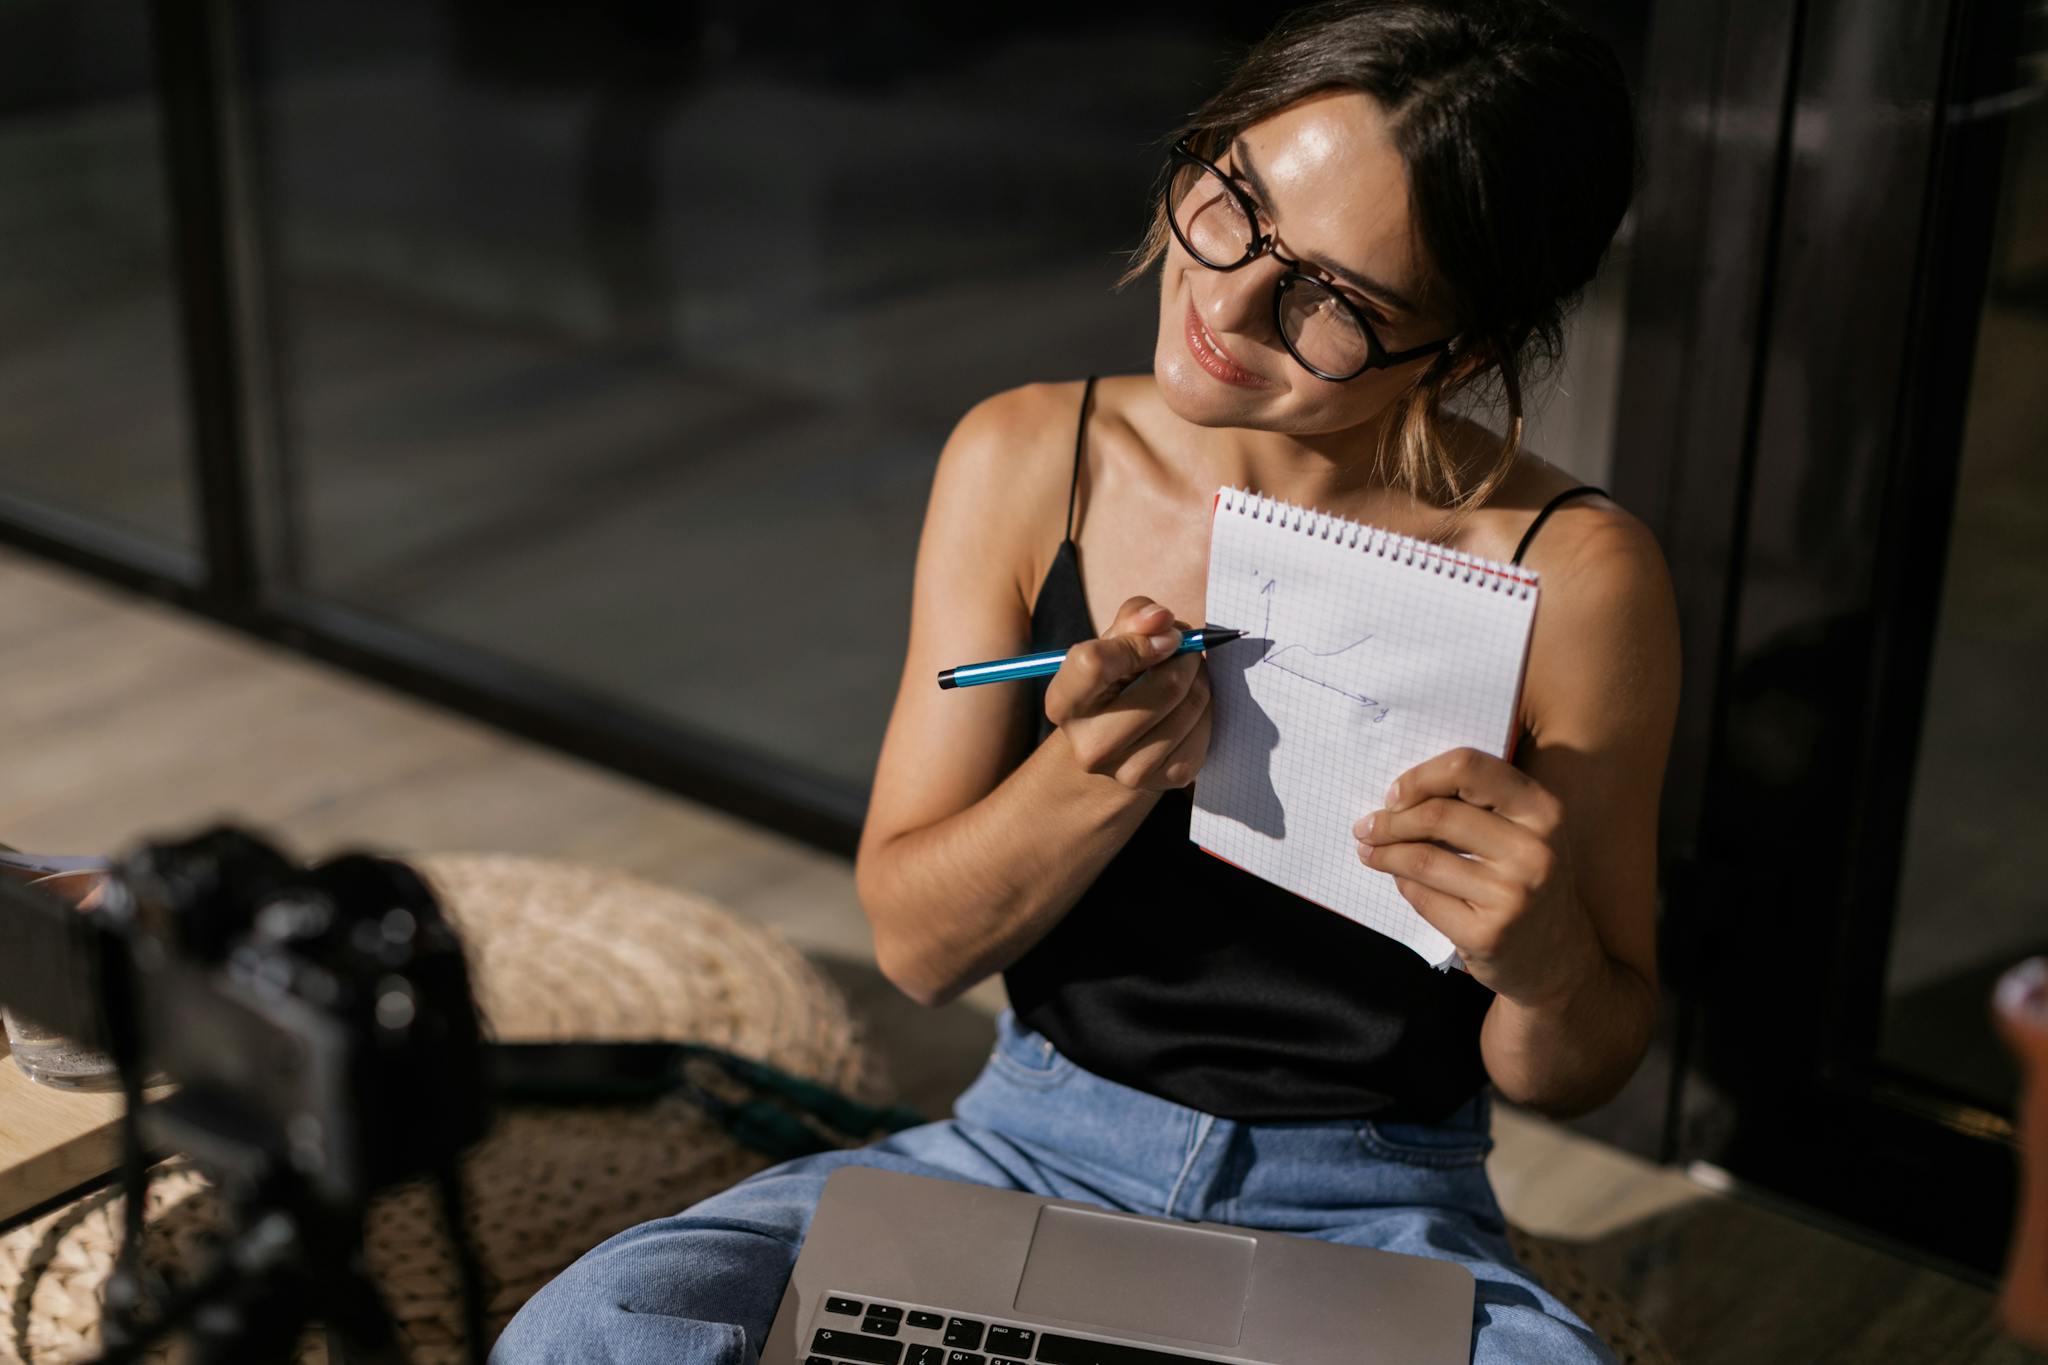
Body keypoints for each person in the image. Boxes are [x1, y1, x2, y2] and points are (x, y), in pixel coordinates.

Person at [493, 1, 1677, 1360]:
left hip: (1378, 1202)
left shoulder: (1572, 577)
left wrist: (1539, 962)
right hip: (1024, 1145)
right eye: (1233, 204)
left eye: (1333, 303)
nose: (1226, 301)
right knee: (601, 1324)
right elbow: (919, 948)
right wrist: (1084, 780)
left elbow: (1584, 1060)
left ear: (1459, 355)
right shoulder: (1028, 456)